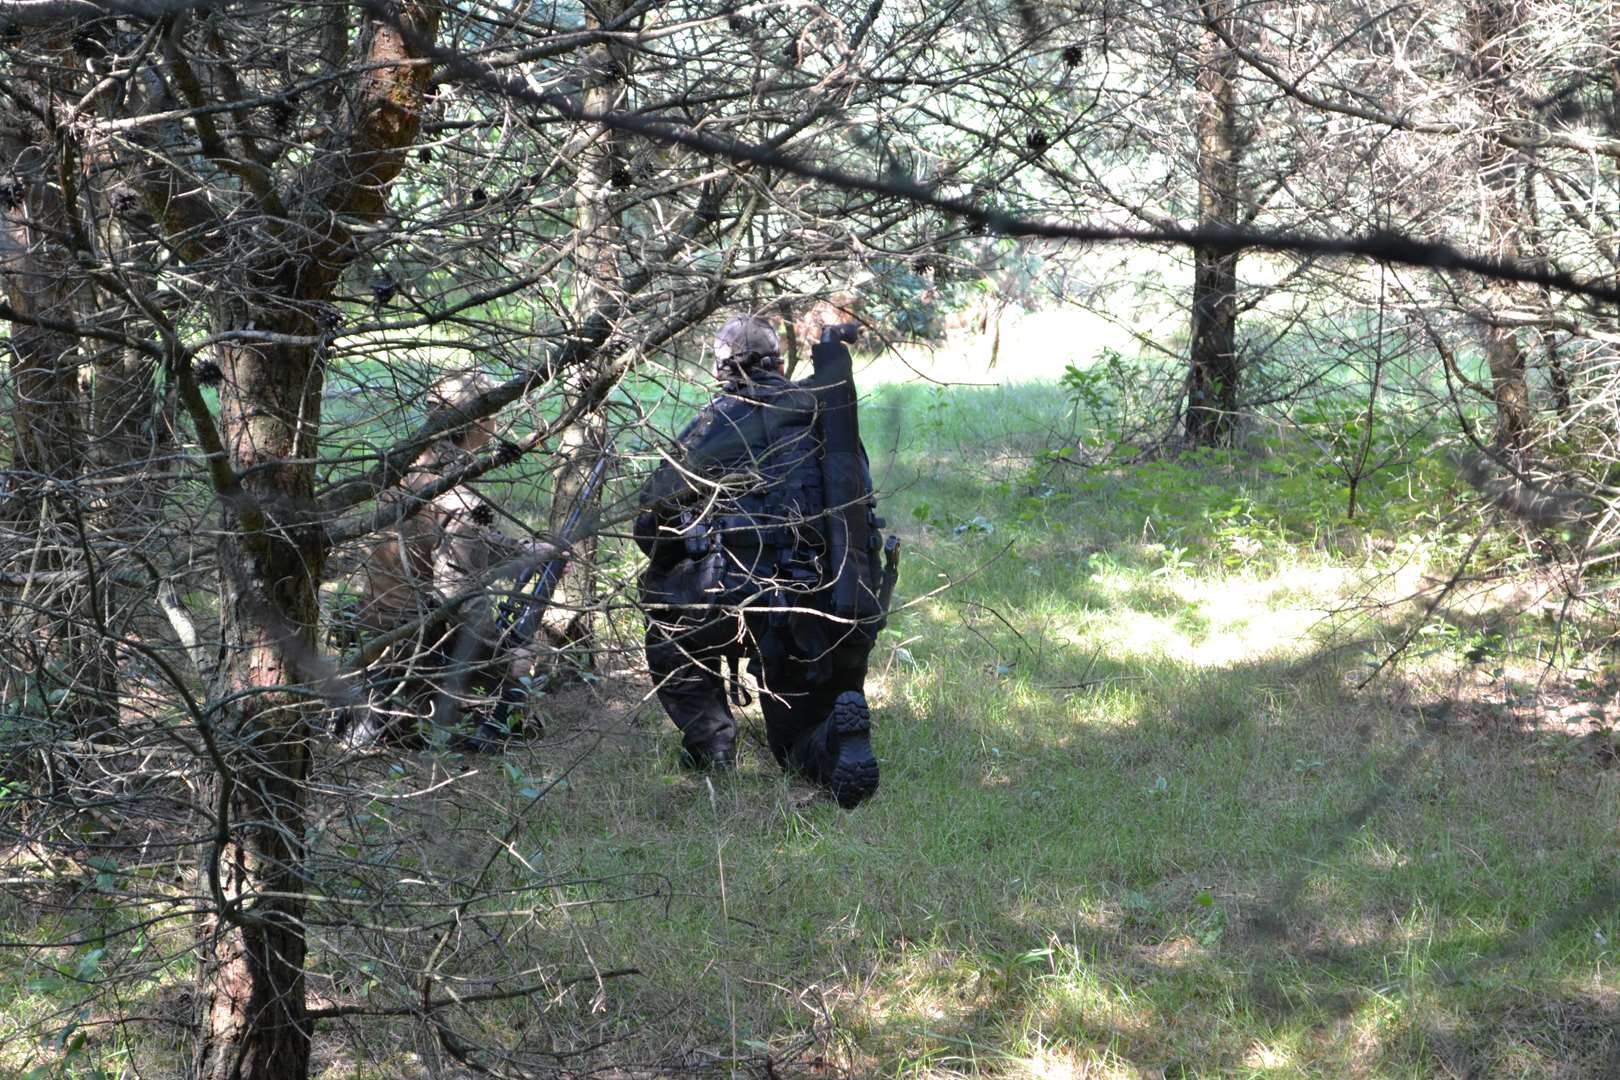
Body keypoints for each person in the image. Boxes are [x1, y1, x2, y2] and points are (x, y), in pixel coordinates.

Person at [634, 315, 895, 808]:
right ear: (779, 364)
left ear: (721, 370)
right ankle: (830, 737)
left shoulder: (712, 424)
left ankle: (711, 744)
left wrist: (673, 562)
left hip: (730, 600)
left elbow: (651, 519)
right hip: (822, 606)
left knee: (669, 630)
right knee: (795, 744)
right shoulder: (829, 418)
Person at [341, 371, 559, 749]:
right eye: (493, 413)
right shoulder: (456, 498)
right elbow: (459, 596)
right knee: (524, 675)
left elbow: (448, 537)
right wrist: (506, 654)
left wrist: (521, 550)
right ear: (479, 421)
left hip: (377, 625)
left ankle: (390, 708)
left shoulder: (408, 468)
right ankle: (414, 718)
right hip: (414, 641)